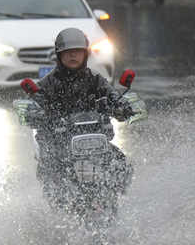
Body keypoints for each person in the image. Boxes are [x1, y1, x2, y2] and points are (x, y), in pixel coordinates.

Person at [31, 27, 133, 198]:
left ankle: (114, 199)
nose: (72, 55)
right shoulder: (48, 83)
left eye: (77, 52)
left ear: (85, 54)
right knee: (51, 169)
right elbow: (34, 103)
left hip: (92, 139)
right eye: (68, 52)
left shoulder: (94, 79)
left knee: (121, 165)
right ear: (59, 55)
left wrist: (122, 107)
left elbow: (113, 95)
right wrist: (37, 113)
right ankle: (57, 205)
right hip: (60, 141)